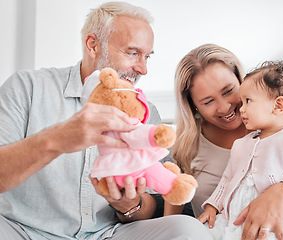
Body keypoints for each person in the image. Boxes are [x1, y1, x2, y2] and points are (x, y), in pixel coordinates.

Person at [0, 2, 212, 240]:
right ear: (93, 45)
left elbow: (152, 203)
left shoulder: (145, 111)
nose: (143, 69)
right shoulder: (26, 87)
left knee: (188, 230)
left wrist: (130, 205)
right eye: (133, 53)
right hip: (22, 231)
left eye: (147, 57)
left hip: (106, 234)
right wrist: (58, 138)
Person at [171, 44, 283, 239]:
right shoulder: (187, 147)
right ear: (193, 106)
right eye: (208, 101)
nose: (224, 107)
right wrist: (213, 206)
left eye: (228, 91)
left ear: (240, 80)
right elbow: (173, 223)